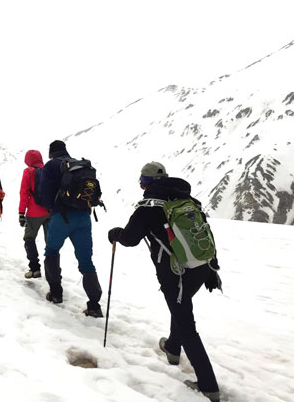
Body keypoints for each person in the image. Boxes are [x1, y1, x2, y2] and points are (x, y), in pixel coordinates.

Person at [107, 162, 220, 402]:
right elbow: (204, 233)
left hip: (174, 271)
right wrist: (212, 269)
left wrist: (115, 233)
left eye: (142, 181)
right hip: (201, 267)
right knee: (181, 306)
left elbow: (129, 238)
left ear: (145, 182)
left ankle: (208, 385)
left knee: (186, 323)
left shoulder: (147, 207)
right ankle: (172, 348)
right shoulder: (188, 200)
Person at [38, 140, 103, 317]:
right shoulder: (79, 165)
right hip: (83, 217)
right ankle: (94, 305)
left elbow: (43, 193)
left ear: (51, 153)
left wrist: (52, 208)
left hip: (61, 216)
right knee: (86, 260)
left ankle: (56, 294)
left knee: (51, 251)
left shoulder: (51, 166)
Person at [19, 150, 51, 279]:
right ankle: (51, 273)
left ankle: (34, 268)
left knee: (29, 238)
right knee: (50, 243)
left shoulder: (29, 171)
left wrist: (21, 212)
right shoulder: (48, 169)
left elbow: (24, 193)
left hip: (34, 212)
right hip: (49, 211)